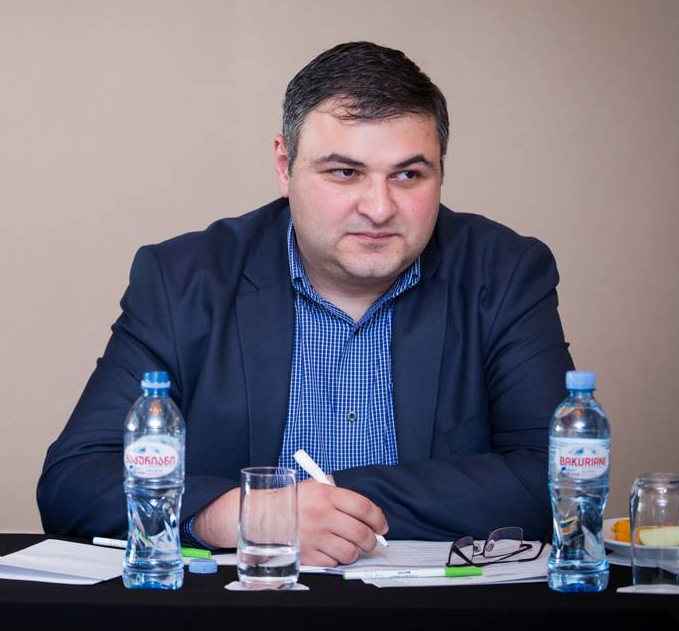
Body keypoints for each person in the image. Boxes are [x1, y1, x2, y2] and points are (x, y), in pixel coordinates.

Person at [38, 41, 572, 566]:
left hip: (435, 612)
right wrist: (241, 515)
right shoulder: (183, 280)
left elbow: (555, 482)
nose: (379, 208)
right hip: (242, 608)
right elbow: (75, 481)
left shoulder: (504, 274)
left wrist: (321, 505)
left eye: (408, 175)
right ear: (284, 164)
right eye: (345, 172)